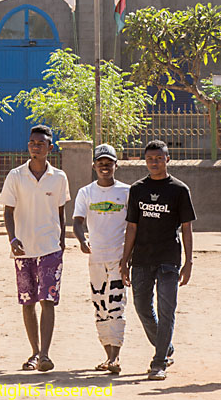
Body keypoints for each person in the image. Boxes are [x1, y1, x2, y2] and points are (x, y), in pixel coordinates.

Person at [119, 140, 195, 382]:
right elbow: (132, 227)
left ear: (167, 159)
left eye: (159, 158)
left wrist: (189, 262)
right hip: (141, 259)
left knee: (167, 309)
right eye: (150, 158)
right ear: (145, 160)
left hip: (169, 259)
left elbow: (187, 228)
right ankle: (166, 346)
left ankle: (159, 361)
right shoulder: (137, 189)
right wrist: (125, 260)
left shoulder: (179, 190)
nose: (154, 162)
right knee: (141, 307)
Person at [0, 124, 70, 373]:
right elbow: (8, 211)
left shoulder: (59, 177)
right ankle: (34, 352)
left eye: (40, 143)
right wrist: (12, 239)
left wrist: (61, 242)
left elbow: (61, 212)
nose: (35, 147)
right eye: (32, 143)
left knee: (47, 299)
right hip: (23, 250)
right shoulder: (16, 176)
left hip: (50, 248)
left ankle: (45, 355)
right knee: (28, 302)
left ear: (50, 147)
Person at [73, 144, 130, 376]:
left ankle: (115, 356)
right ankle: (108, 355)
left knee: (116, 303)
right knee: (100, 305)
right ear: (94, 166)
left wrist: (128, 256)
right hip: (96, 258)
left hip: (119, 258)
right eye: (100, 163)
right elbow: (77, 221)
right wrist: (82, 240)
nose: (104, 167)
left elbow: (134, 225)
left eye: (109, 163)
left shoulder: (127, 191)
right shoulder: (86, 192)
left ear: (116, 165)